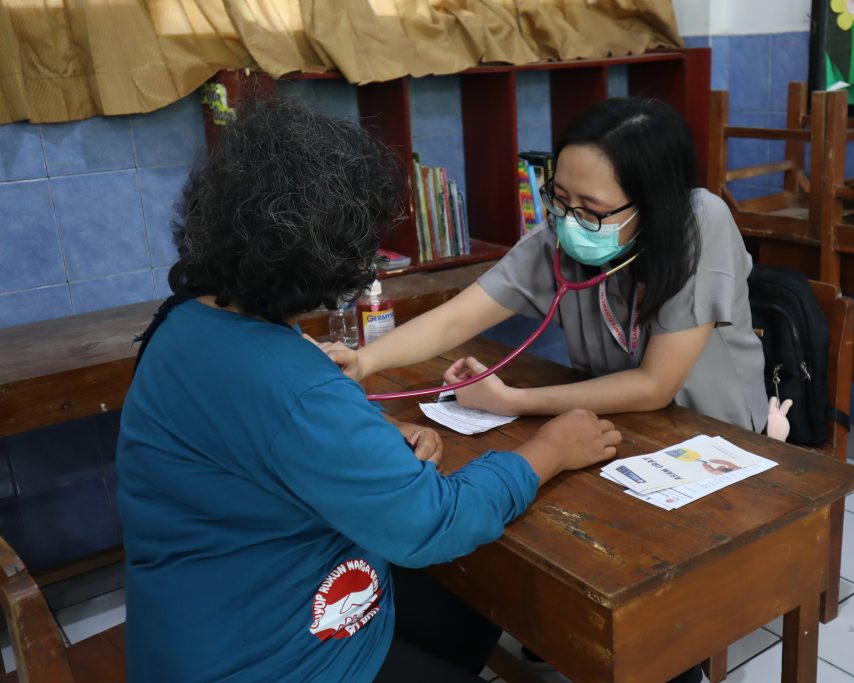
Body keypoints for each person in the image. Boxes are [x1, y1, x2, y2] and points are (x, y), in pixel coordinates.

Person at [116, 98, 621, 683]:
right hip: (274, 659)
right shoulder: (292, 384)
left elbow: (260, 435)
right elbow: (433, 522)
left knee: (475, 593)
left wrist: (372, 433)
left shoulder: (184, 320)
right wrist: (550, 450)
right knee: (465, 555)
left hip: (204, 622)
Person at [326, 96, 768, 434]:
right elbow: (456, 319)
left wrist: (510, 400)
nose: (568, 220)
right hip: (622, 429)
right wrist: (363, 362)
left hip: (716, 438)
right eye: (559, 197)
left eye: (591, 208)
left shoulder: (701, 225)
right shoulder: (557, 238)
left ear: (653, 205)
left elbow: (655, 386)